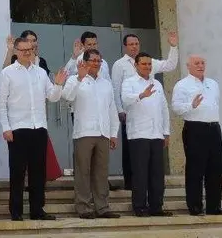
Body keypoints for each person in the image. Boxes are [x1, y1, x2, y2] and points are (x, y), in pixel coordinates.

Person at [0, 37, 67, 221]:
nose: (27, 52)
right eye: (23, 50)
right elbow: (1, 104)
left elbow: (52, 97)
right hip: (18, 128)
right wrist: (6, 128)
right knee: (18, 172)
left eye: (30, 49)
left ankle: (37, 210)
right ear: (16, 51)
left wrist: (59, 84)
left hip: (39, 128)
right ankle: (16, 211)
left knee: (38, 173)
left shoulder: (41, 73)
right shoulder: (7, 73)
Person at [111, 31, 178, 191]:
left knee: (150, 157)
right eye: (131, 44)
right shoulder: (119, 64)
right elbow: (115, 88)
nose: (134, 46)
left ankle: (147, 184)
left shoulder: (150, 62)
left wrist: (173, 47)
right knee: (131, 150)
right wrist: (119, 110)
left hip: (151, 119)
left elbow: (170, 65)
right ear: (125, 46)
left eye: (136, 44)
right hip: (130, 112)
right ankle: (130, 182)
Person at [60, 49, 120, 219]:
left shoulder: (106, 83)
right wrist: (79, 78)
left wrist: (113, 133)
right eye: (93, 60)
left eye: (99, 60)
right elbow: (66, 97)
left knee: (101, 172)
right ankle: (84, 207)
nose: (96, 63)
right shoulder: (75, 79)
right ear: (84, 62)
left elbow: (112, 109)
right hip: (84, 133)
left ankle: (103, 207)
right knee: (83, 172)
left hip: (103, 132)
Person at [171, 55, 222, 216]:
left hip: (214, 129)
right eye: (196, 63)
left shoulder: (213, 83)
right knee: (196, 169)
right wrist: (191, 105)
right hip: (195, 129)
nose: (200, 65)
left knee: (216, 168)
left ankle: (214, 206)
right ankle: (195, 206)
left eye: (203, 62)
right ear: (188, 66)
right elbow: (176, 108)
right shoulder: (182, 85)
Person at [121, 52, 172, 217]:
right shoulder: (129, 82)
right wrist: (141, 95)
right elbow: (126, 100)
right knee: (140, 173)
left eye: (149, 64)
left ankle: (157, 206)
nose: (148, 67)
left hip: (156, 134)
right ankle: (140, 206)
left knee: (157, 173)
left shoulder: (156, 83)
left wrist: (166, 132)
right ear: (136, 65)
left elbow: (164, 109)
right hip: (139, 134)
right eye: (144, 64)